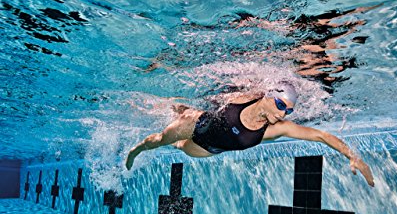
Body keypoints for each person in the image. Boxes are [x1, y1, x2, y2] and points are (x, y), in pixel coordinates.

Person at [125, 82, 375, 187]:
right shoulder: (244, 98)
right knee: (160, 140)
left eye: (289, 109)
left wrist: (352, 155)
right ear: (268, 95)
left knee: (180, 148)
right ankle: (137, 149)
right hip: (199, 124)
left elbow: (320, 135)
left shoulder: (276, 129)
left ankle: (177, 123)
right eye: (280, 105)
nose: (283, 113)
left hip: (208, 149)